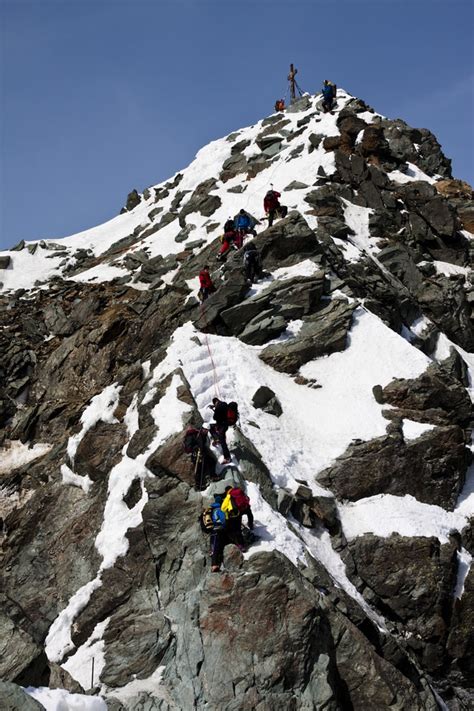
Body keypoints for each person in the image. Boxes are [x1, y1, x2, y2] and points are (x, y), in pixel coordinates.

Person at [209, 398, 239, 463]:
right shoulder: (224, 404)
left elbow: (215, 417)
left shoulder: (218, 407)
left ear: (215, 403)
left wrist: (216, 409)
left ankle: (227, 458)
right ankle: (217, 440)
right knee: (212, 427)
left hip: (222, 425)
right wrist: (214, 407)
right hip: (225, 424)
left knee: (222, 441)